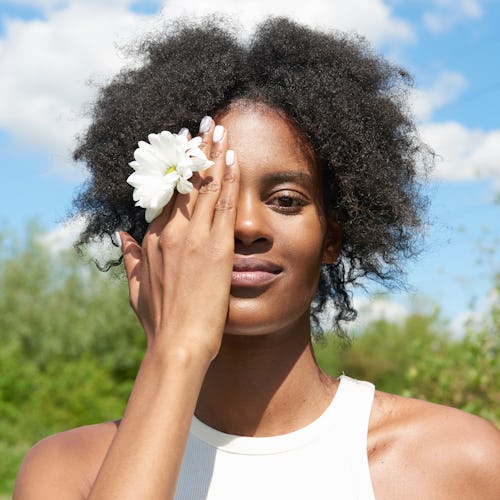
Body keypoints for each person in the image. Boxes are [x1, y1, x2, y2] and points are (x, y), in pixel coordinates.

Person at [14, 17, 500, 500]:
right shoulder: (68, 469)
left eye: (286, 200)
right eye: (206, 196)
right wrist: (176, 350)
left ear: (333, 237)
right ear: (157, 232)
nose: (245, 226)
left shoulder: (458, 463)